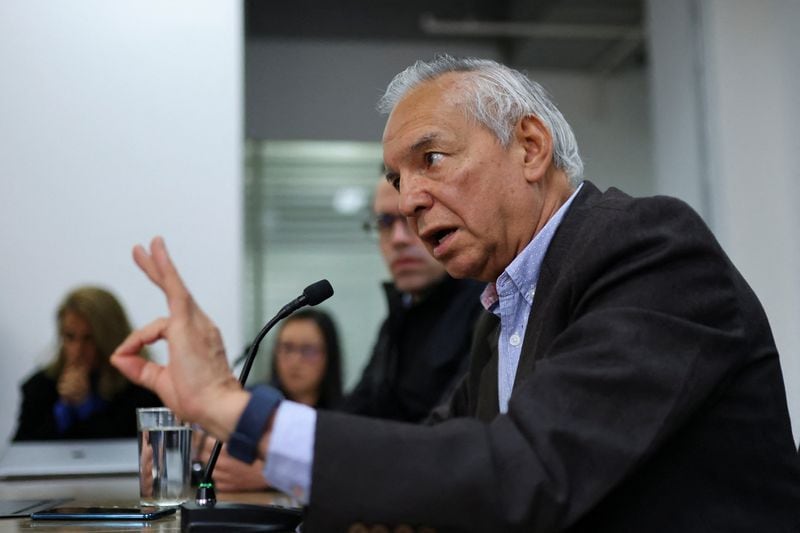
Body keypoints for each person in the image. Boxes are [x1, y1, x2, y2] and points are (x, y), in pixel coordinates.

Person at [111, 56, 800, 532]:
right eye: (398, 177)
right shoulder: (502, 303)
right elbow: (438, 458)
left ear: (529, 148)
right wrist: (250, 450)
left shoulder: (649, 250)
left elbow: (525, 475)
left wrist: (246, 413)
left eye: (430, 160)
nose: (410, 199)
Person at [339, 178, 484, 422]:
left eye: (414, 216)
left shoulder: (488, 307)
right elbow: (356, 413)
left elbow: (447, 431)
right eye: (385, 222)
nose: (398, 239)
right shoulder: (398, 317)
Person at [194, 309, 343, 491]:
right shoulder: (255, 402)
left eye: (308, 350)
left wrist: (271, 475)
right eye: (287, 348)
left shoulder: (346, 417)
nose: (295, 361)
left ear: (329, 356)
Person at [13, 286, 160, 441]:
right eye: (70, 337)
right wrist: (62, 411)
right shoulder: (39, 387)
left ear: (111, 338)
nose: (78, 349)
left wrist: (86, 408)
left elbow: (148, 452)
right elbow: (19, 455)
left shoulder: (143, 388)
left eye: (89, 338)